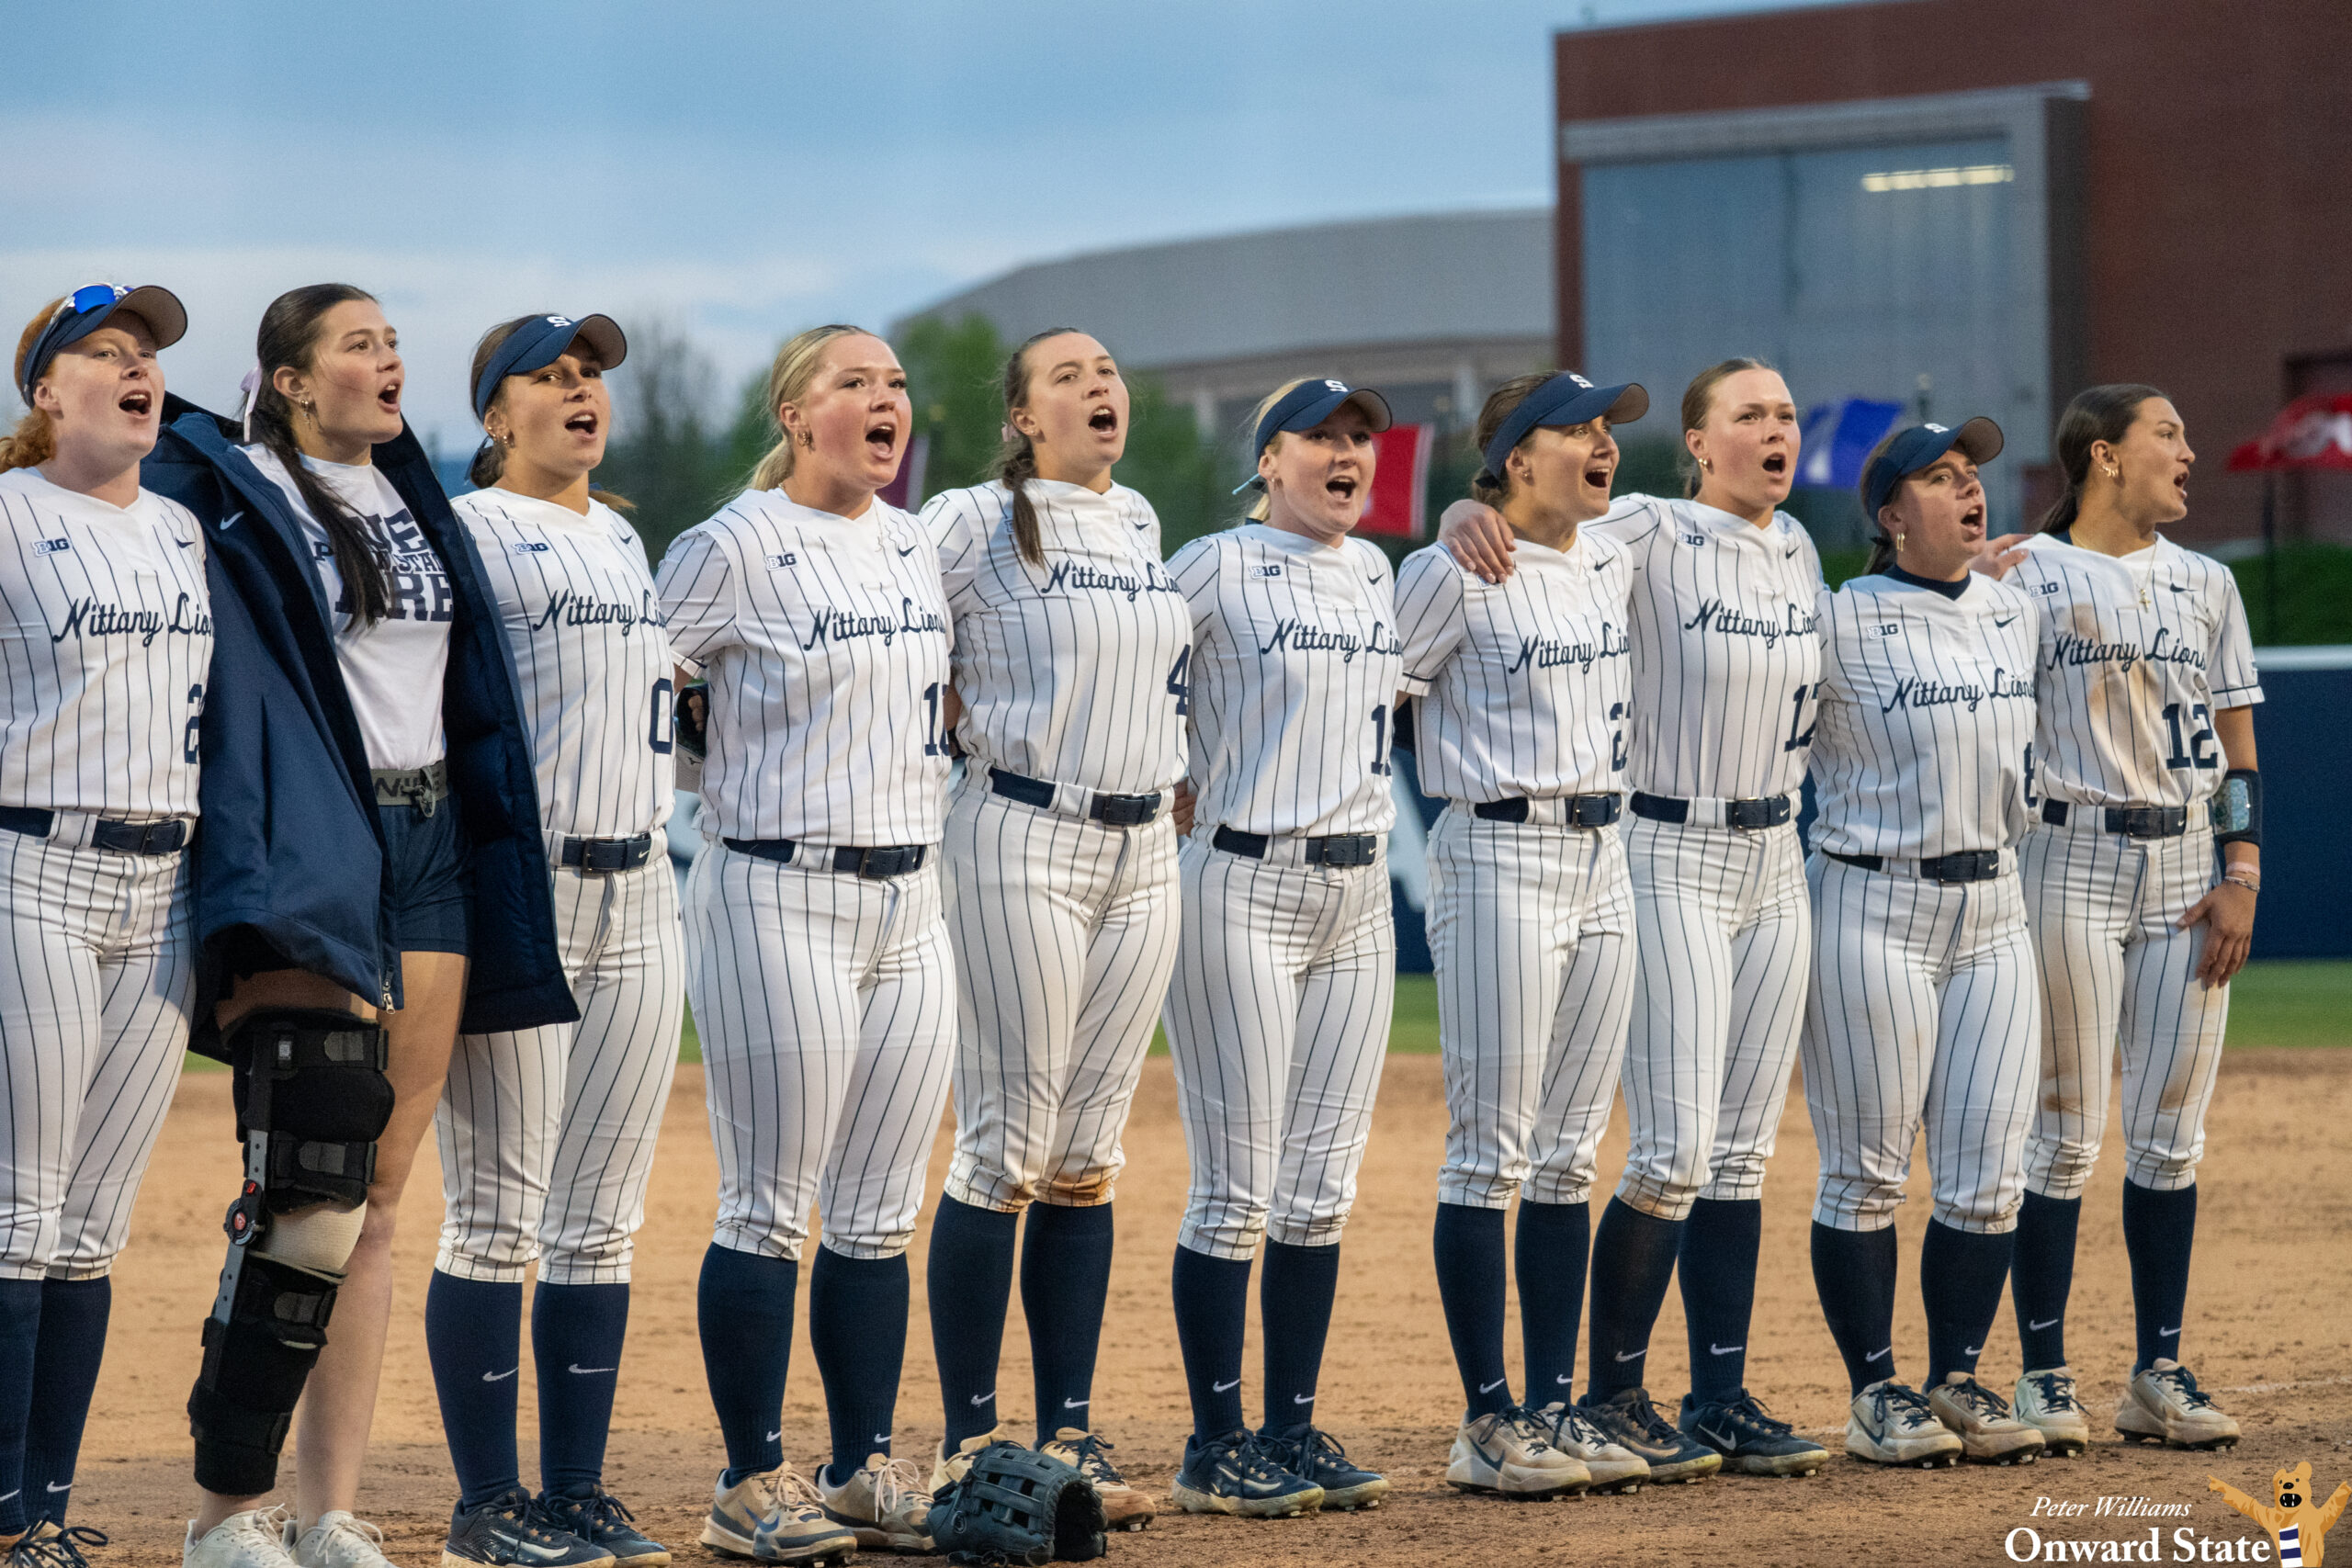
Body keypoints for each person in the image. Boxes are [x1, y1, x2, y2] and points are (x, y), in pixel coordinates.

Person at [142, 285, 573, 1568]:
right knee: (303, 1193)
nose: (390, 360)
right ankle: (226, 1506)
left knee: (381, 1196)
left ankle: (330, 1510)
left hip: (432, 835)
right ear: (287, 379)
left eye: (393, 342)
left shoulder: (417, 493)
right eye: (358, 344)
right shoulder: (229, 494)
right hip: (317, 835)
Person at [1439, 357, 1829, 1480]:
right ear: (1699, 445)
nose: (1777, 430)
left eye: (1786, 413)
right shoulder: (1642, 530)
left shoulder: (1801, 548)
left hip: (1774, 852)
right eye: (1750, 413)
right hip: (1661, 841)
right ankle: (1609, 1391)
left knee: (1743, 1153)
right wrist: (1472, 503)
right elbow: (1529, 524)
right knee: (1671, 1150)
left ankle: (1716, 1395)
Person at [658, 325, 952, 1562]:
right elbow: (647, 691)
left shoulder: (912, 541)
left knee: (881, 1210)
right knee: (772, 1204)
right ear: (795, 412)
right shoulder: (728, 545)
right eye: (853, 382)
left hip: (909, 898)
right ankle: (745, 1478)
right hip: (778, 885)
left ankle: (860, 1465)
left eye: (892, 384)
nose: (883, 400)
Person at [916, 330, 1188, 1530]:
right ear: (1023, 416)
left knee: (1090, 1154)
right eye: (1069, 375)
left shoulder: (1136, 519)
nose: (1100, 386)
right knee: (1005, 1147)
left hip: (1143, 847)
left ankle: (1067, 1424)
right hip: (1022, 831)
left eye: (1110, 371)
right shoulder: (972, 517)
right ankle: (973, 1436)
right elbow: (896, 628)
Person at [425, 312, 682, 1567]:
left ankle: (574, 1488)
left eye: (590, 375)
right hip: (522, 890)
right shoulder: (469, 535)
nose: (581, 388)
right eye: (549, 374)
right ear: (493, 414)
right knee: (495, 1214)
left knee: (601, 1216)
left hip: (642, 886)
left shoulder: (622, 534)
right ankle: (487, 1506)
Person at [1983, 386, 2262, 1456]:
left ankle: (2157, 1370)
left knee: (2170, 1137)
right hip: (2067, 857)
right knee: (2060, 1135)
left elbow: (2238, 750)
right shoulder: (2029, 578)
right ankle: (2043, 1375)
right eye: (2168, 436)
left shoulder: (2208, 583)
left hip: (2190, 865)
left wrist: (2242, 867)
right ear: (2104, 455)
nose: (2189, 454)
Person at [1395, 371, 1656, 1499]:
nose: (1604, 445)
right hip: (1497, 849)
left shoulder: (1612, 551)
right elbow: (1369, 698)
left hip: (1606, 853)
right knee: (1492, 1149)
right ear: (1510, 453)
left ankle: (1553, 1404)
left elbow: (1726, 509)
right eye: (1578, 429)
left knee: (1568, 1153)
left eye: (1608, 430)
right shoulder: (1448, 569)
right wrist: (1452, 521)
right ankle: (1487, 1420)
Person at [1160, 377, 1404, 1519]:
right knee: (1236, 1189)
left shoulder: (1374, 571)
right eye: (1321, 435)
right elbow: (1129, 666)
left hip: (1355, 897)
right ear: (1269, 459)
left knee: (1319, 1190)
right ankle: (1216, 1443)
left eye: (1360, 436)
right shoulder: (1209, 564)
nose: (1346, 451)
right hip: (1240, 883)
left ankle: (1291, 1428)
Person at [1802, 419, 2049, 1469]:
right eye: (1939, 478)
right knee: (1864, 1172)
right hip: (1873, 904)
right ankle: (1874, 1393)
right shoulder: (1836, 620)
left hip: (1995, 907)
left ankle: (1954, 1379)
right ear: (1890, 514)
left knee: (1988, 1175)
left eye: (1973, 474)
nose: (1968, 488)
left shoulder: (2014, 608)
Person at [0, 283, 201, 1568]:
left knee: (91, 1225)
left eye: (149, 357)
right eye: (108, 353)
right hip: (34, 866)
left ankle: (47, 1508)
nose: (139, 370)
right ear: (45, 392)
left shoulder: (186, 529)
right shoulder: (9, 513)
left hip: (164, 889)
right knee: (19, 1208)